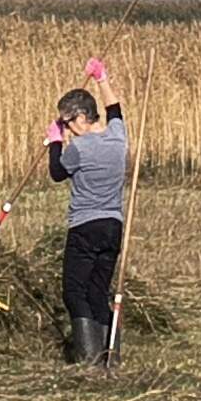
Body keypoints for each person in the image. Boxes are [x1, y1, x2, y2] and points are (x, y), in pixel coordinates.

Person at [47, 61, 130, 366]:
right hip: (113, 227)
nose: (66, 129)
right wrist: (102, 78)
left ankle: (88, 359)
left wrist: (54, 142)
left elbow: (57, 173)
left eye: (67, 124)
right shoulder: (118, 137)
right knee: (98, 291)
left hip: (84, 226)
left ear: (82, 118)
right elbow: (116, 110)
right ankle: (111, 358)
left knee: (74, 291)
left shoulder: (79, 150)